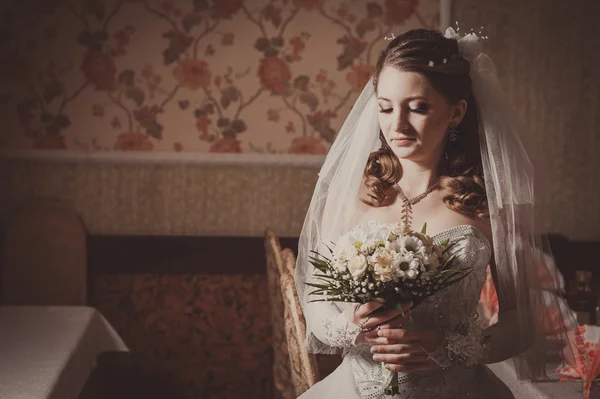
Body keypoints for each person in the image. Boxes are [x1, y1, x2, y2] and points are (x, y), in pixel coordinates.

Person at [294, 27, 577, 398]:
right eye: (385, 107)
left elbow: (522, 324)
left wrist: (447, 349)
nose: (396, 125)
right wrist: (353, 327)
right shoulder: (352, 194)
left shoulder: (487, 205)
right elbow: (315, 306)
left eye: (418, 107)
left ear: (456, 112)